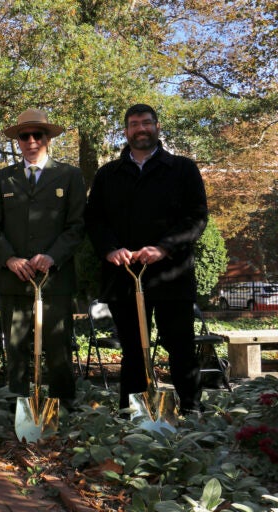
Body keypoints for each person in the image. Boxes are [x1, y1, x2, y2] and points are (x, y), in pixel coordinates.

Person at [84, 103, 208, 415]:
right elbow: (94, 220)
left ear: (157, 126)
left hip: (172, 275)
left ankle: (191, 409)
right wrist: (111, 249)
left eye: (147, 123)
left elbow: (196, 218)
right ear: (126, 131)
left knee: (179, 345)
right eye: (134, 124)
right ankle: (134, 414)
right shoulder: (108, 175)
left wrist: (164, 248)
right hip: (124, 277)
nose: (141, 129)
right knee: (133, 351)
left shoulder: (182, 169)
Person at [0, 109, 86, 410]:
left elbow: (77, 226)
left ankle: (63, 409)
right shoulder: (4, 179)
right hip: (14, 279)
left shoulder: (69, 176)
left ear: (47, 138)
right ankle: (17, 410)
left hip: (55, 280)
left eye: (37, 135)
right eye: (24, 136)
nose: (30, 141)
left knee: (58, 349)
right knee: (15, 349)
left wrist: (52, 256)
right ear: (17, 141)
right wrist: (10, 259)